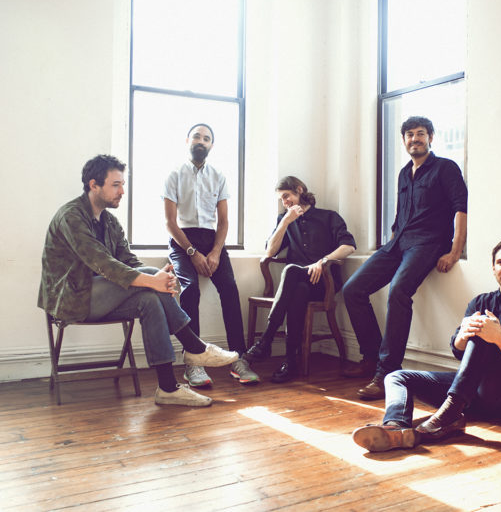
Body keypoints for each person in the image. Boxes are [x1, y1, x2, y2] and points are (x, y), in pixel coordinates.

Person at [38, 155, 239, 407]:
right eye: (115, 185)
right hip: (72, 298)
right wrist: (152, 279)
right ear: (94, 185)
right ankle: (195, 347)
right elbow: (103, 263)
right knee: (150, 282)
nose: (122, 191)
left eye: (123, 184)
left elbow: (127, 260)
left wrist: (158, 278)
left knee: (149, 299)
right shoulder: (71, 216)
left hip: (101, 296)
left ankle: (167, 388)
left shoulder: (109, 221)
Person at [351, 238, 501, 452]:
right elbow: (458, 351)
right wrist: (464, 336)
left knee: (484, 331)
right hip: (467, 392)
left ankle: (450, 413)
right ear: (494, 268)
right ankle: (395, 427)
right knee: (396, 377)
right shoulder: (481, 302)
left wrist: (499, 337)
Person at [342, 116, 468, 399]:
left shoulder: (446, 168)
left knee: (399, 291)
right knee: (352, 289)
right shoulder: (403, 173)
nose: (415, 139)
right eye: (409, 135)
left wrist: (455, 250)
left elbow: (461, 208)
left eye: (420, 134)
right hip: (398, 242)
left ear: (431, 137)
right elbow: (400, 214)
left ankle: (386, 371)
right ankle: (371, 356)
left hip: (428, 243)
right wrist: (393, 237)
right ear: (404, 140)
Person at [164, 124, 258, 387]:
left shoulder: (219, 176)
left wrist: (215, 252)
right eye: (197, 136)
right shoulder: (174, 175)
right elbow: (170, 222)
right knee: (190, 289)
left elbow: (224, 221)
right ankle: (193, 362)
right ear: (187, 140)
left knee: (229, 288)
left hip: (212, 240)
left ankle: (238, 359)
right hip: (183, 240)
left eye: (206, 138)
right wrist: (192, 253)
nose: (201, 141)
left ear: (211, 145)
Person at [244, 176, 356, 382]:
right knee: (298, 289)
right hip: (298, 285)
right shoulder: (285, 221)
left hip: (324, 283)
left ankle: (266, 340)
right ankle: (290, 361)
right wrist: (286, 221)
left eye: (287, 196)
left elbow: (349, 246)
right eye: (281, 200)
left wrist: (323, 261)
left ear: (299, 190)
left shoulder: (329, 217)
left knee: (291, 270)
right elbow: (270, 251)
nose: (284, 202)